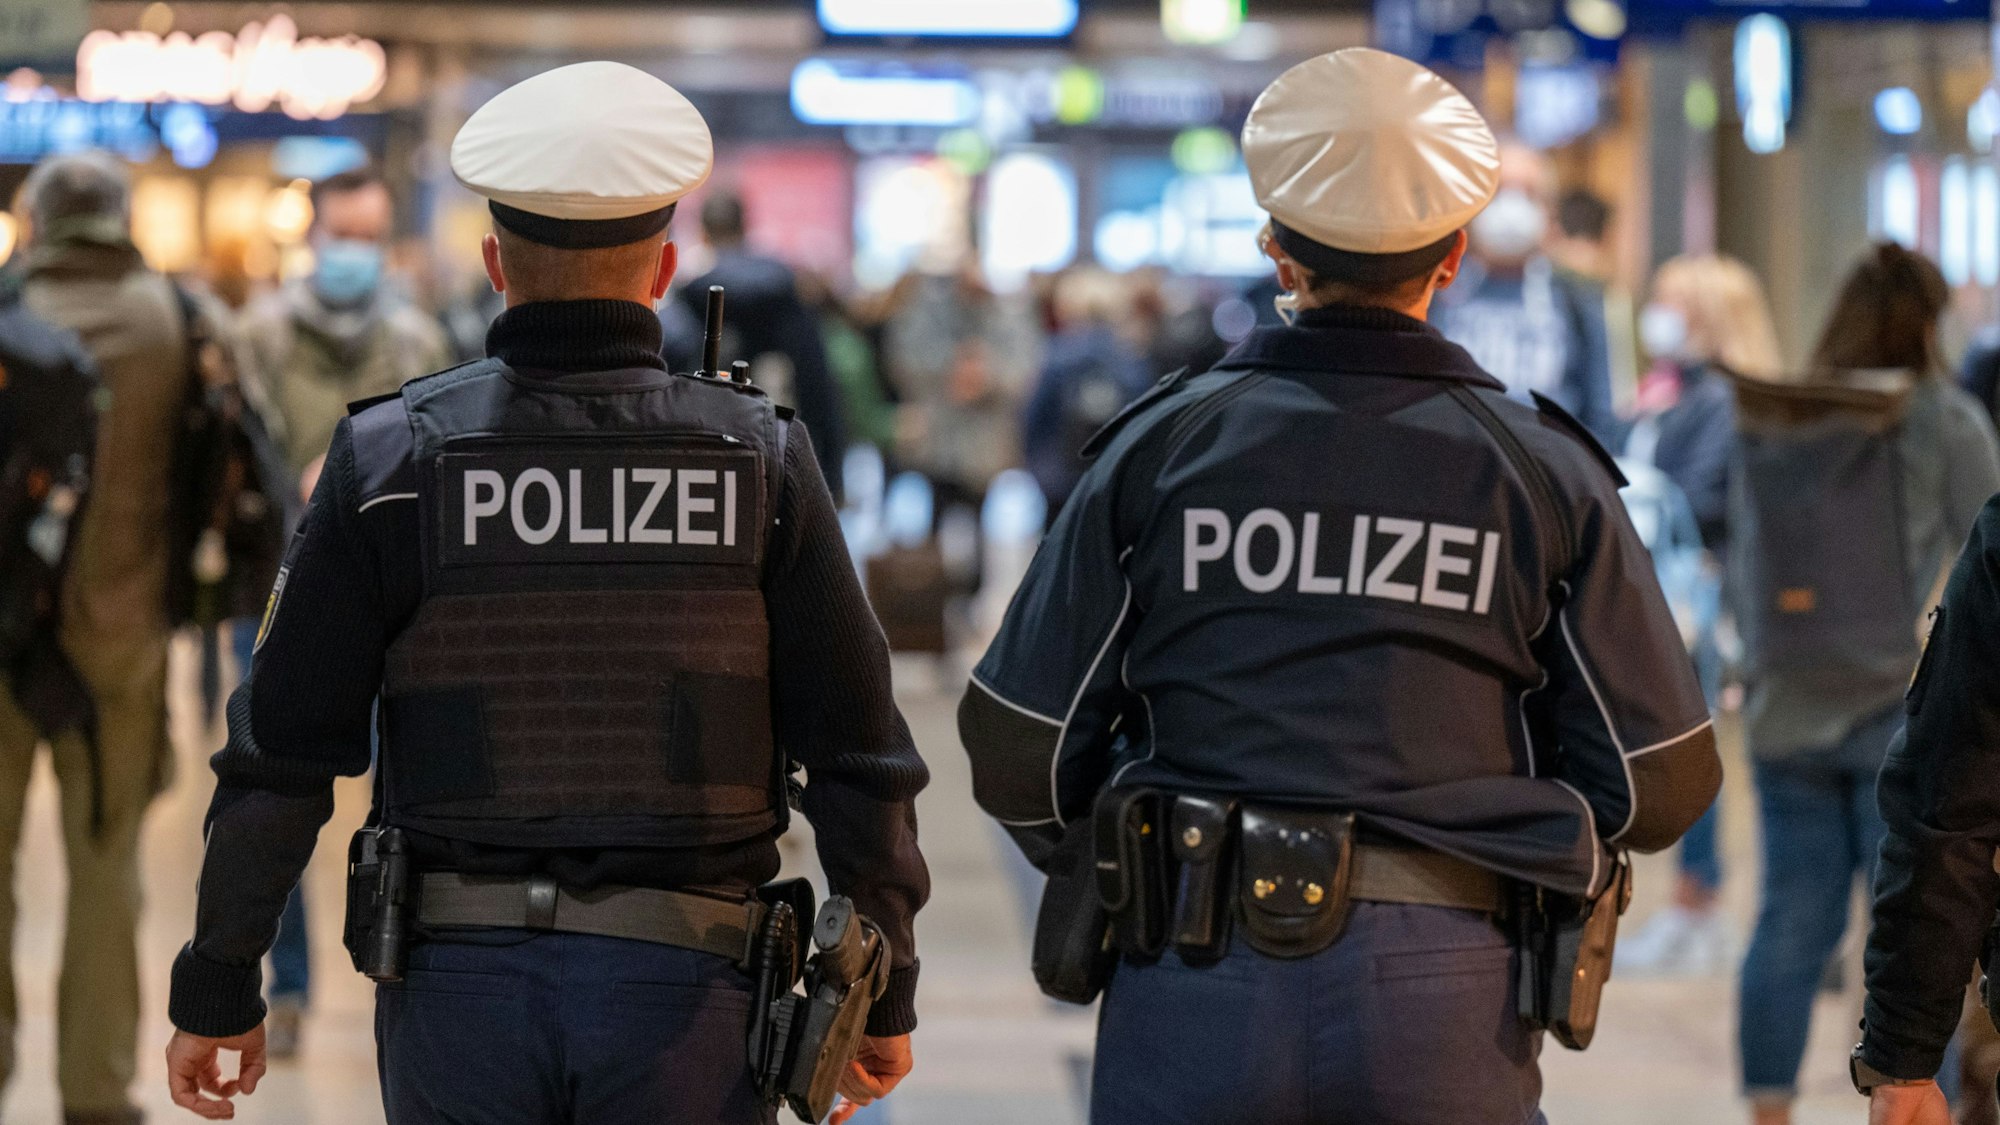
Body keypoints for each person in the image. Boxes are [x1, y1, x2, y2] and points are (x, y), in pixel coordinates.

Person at [958, 49, 1720, 1124]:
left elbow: (1016, 745)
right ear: (1453, 258)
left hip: (1192, 971)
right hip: (1446, 988)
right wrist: (1504, 830)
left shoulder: (1159, 449)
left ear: (1274, 249)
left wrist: (1130, 847)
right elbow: (1659, 780)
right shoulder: (1543, 472)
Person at [163, 61, 930, 1125]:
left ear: (493, 265)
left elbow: (282, 750)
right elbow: (857, 750)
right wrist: (882, 990)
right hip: (692, 996)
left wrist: (220, 976)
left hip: (455, 994)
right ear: (664, 270)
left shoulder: (392, 460)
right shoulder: (757, 461)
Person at [1729, 243, 2000, 1125]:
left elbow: (1740, 558)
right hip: (1895, 711)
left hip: (1784, 709)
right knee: (1922, 923)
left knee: (1787, 926)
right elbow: (1984, 562)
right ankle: (1914, 1102)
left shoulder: (1780, 418)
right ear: (1928, 320)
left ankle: (1769, 1112)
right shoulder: (1942, 420)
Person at [232, 163, 450, 1060]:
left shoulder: (418, 339)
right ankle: (283, 984)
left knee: (402, 789)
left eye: (370, 235)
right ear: (314, 233)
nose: (354, 252)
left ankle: (403, 962)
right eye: (343, 233)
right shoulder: (258, 336)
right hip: (279, 591)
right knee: (277, 782)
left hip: (397, 603)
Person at [0, 150, 198, 1125]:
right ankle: (95, 1092)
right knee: (107, 867)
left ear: (35, 219)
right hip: (121, 639)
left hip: (0, 636)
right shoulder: (172, 320)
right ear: (121, 217)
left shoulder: (6, 312)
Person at [1616, 253, 1784, 977]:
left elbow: (1705, 498)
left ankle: (1698, 899)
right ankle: (1686, 898)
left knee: (1691, 746)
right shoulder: (1669, 391)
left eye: (1674, 302)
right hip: (1654, 588)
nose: (1659, 314)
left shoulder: (1726, 401)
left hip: (1698, 594)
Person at [1433, 142, 1620, 442]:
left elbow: (1601, 413)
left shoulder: (1577, 298)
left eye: (1529, 194)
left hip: (1547, 472)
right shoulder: (1437, 289)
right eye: (1500, 192)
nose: (1512, 208)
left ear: (1550, 211)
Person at [670, 193, 847, 499]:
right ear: (745, 226)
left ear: (704, 232)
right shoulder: (787, 292)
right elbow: (819, 389)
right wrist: (832, 481)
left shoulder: (691, 301)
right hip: (785, 466)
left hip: (705, 472)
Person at [1020, 268, 1153, 517]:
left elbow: (1033, 417)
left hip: (1059, 480)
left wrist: (1038, 469)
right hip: (1110, 481)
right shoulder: (1129, 358)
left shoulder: (1057, 354)